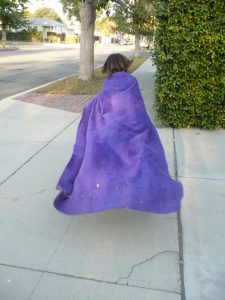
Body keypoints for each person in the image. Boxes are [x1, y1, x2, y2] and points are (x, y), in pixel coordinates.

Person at [54, 53, 183, 215]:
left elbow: (102, 105)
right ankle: (136, 192)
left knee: (99, 151)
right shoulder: (132, 81)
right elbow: (138, 109)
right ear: (125, 65)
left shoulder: (109, 83)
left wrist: (89, 111)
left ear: (109, 68)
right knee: (146, 154)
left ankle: (108, 192)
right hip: (136, 130)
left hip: (111, 131)